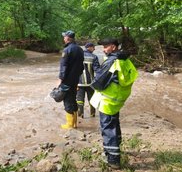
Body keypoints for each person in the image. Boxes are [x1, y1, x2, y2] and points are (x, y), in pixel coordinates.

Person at [90, 38, 138, 169]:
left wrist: (93, 85)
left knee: (108, 128)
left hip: (107, 100)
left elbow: (98, 82)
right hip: (118, 99)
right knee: (114, 124)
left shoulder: (111, 61)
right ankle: (116, 149)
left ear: (113, 47)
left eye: (106, 47)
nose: (104, 50)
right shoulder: (125, 60)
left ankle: (113, 159)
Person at [58, 30, 84, 129]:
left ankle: (69, 125)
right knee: (73, 99)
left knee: (68, 101)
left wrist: (61, 79)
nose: (63, 38)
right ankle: (75, 124)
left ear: (68, 38)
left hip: (67, 80)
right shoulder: (80, 49)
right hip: (76, 79)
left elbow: (64, 66)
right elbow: (82, 67)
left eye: (64, 37)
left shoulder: (67, 50)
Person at [77, 42, 100, 118]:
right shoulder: (94, 57)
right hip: (90, 83)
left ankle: (81, 114)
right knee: (92, 99)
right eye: (93, 47)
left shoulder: (77, 56)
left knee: (80, 99)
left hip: (79, 83)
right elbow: (97, 70)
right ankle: (92, 114)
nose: (94, 49)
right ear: (89, 47)